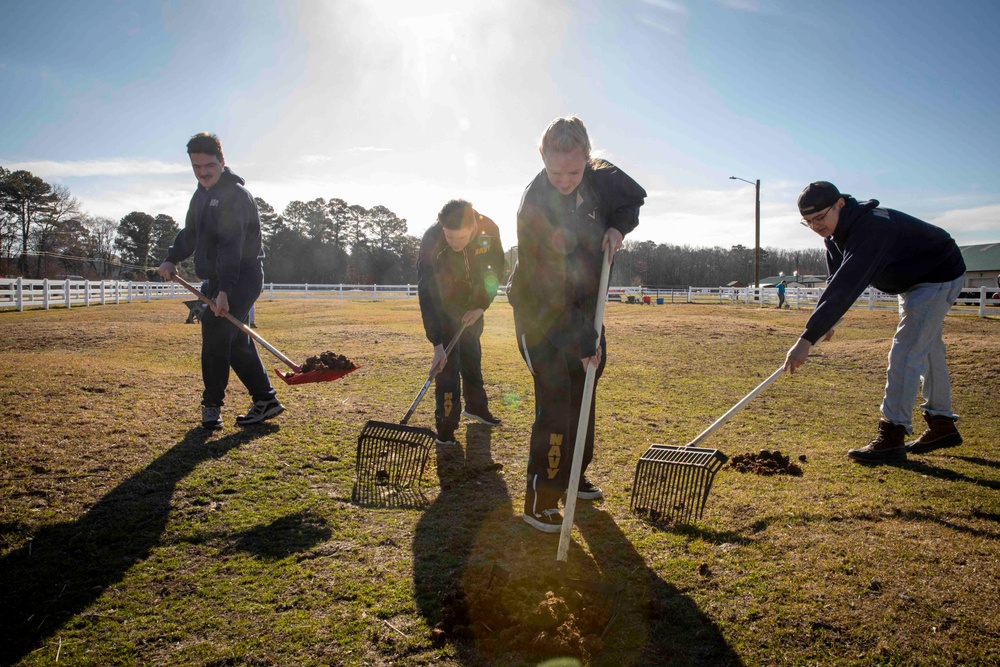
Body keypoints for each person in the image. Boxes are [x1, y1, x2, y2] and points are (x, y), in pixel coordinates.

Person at [508, 116, 646, 532]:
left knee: (585, 392)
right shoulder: (534, 205)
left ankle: (574, 474)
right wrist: (584, 341)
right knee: (556, 400)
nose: (565, 180)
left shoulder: (603, 176)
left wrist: (618, 227)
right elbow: (546, 292)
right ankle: (542, 498)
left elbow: (632, 199)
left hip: (587, 307)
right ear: (542, 160)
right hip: (540, 314)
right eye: (555, 172)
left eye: (574, 170)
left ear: (588, 158)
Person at [783, 181, 966, 463]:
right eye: (808, 222)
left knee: (906, 350)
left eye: (820, 218)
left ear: (840, 204)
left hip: (938, 273)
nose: (816, 226)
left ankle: (892, 434)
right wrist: (829, 321)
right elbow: (836, 280)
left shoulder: (870, 229)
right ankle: (942, 424)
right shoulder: (833, 235)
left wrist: (806, 339)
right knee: (926, 348)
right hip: (912, 280)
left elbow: (848, 284)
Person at [158, 133, 284, 430]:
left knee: (216, 332)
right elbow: (190, 233)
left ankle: (211, 406)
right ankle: (265, 400)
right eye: (196, 167)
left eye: (209, 165)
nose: (203, 172)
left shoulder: (235, 197)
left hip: (241, 277)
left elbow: (232, 246)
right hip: (219, 278)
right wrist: (171, 257)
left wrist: (225, 290)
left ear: (222, 162)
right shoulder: (200, 194)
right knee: (236, 340)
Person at [417, 199, 505, 446]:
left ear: (473, 228)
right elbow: (427, 293)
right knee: (447, 366)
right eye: (449, 237)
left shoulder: (489, 229)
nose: (454, 245)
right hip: (445, 306)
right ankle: (445, 427)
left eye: (461, 238)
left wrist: (480, 305)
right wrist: (436, 344)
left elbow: (495, 269)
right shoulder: (432, 241)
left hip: (473, 305)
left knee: (472, 355)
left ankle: (477, 407)